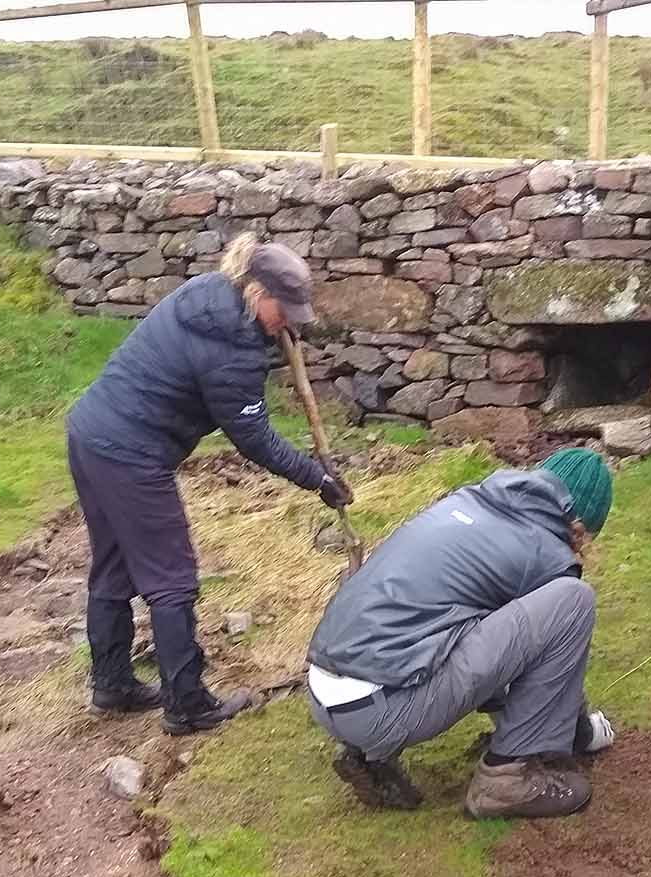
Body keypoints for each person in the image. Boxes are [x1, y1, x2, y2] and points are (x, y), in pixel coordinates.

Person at [66, 234, 353, 736]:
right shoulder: (232, 352)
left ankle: (112, 684)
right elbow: (255, 439)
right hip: (131, 454)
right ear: (256, 291)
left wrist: (273, 338)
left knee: (113, 567)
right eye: (282, 310)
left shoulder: (210, 295)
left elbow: (240, 354)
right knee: (171, 579)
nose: (288, 321)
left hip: (91, 433)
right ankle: (188, 704)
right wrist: (318, 478)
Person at [305, 447, 618, 819]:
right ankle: (506, 781)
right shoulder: (546, 552)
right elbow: (549, 660)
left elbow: (503, 643)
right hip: (381, 708)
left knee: (471, 618)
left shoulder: (471, 502)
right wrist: (581, 734)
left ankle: (368, 752)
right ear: (580, 527)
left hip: (325, 691)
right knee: (573, 602)